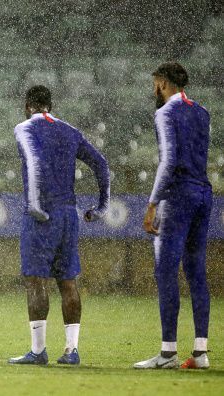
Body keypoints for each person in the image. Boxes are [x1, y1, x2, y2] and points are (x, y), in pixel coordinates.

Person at [8, 85, 109, 366]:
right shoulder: (69, 131)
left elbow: (33, 161)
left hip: (42, 214)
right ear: (49, 106)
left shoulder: (25, 128)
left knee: (35, 281)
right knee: (67, 282)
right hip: (69, 214)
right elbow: (101, 164)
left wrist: (34, 204)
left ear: (29, 105)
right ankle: (71, 350)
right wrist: (101, 207)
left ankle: (38, 351)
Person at [135, 62, 212, 370]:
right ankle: (200, 353)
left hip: (178, 196)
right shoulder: (202, 112)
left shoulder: (165, 113)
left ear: (163, 84)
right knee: (196, 272)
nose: (154, 89)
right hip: (204, 194)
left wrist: (153, 203)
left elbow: (168, 161)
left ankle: (167, 353)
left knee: (166, 271)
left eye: (155, 83)